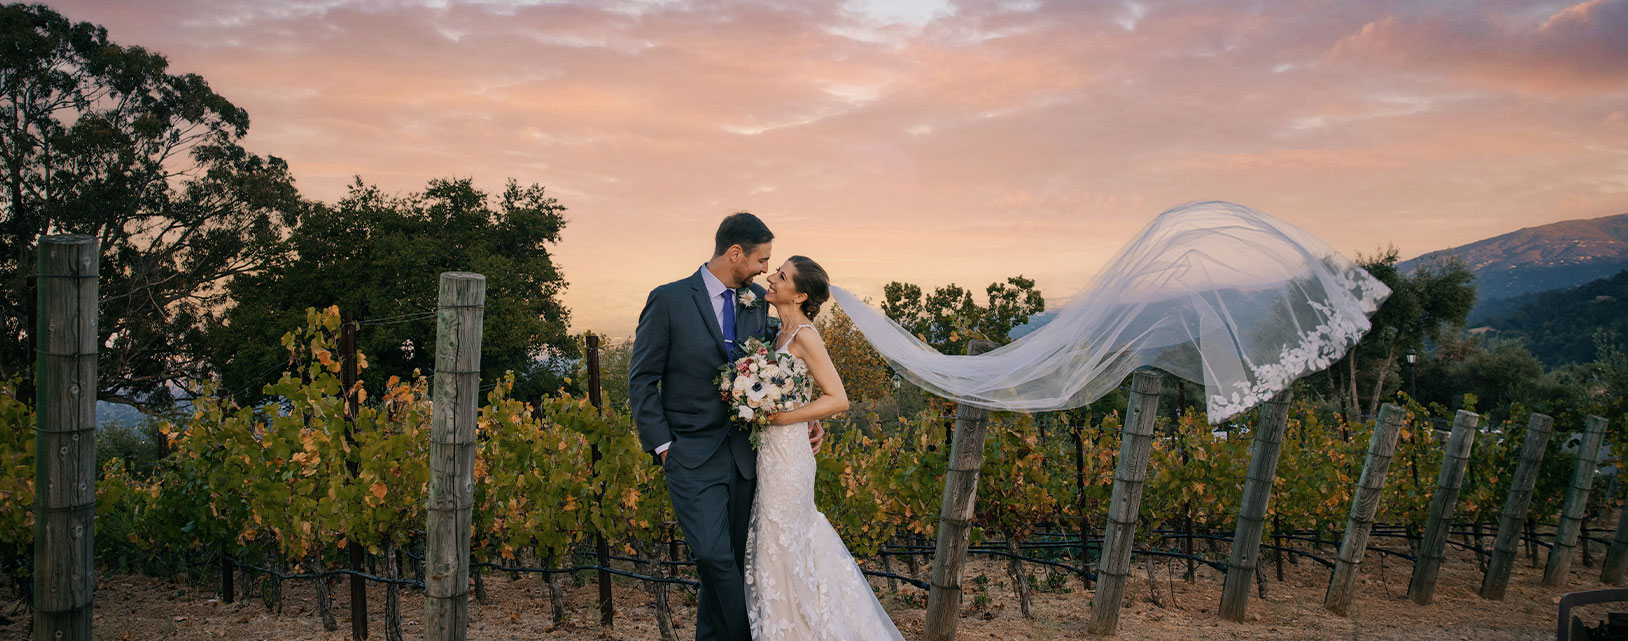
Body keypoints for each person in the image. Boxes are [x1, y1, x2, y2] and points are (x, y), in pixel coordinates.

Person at [628, 213, 823, 641]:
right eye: (760, 260)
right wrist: (663, 447)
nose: (763, 271)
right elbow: (641, 381)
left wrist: (807, 416)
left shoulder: (757, 301)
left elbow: (790, 356)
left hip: (746, 459)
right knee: (715, 560)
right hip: (690, 457)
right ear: (735, 253)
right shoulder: (669, 300)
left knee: (734, 564)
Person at [745, 255, 906, 641]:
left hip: (790, 458)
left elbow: (838, 398)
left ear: (799, 295)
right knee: (773, 546)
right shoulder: (778, 334)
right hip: (769, 454)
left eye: (780, 276)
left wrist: (788, 418)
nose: (770, 276)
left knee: (787, 544)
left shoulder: (805, 335)